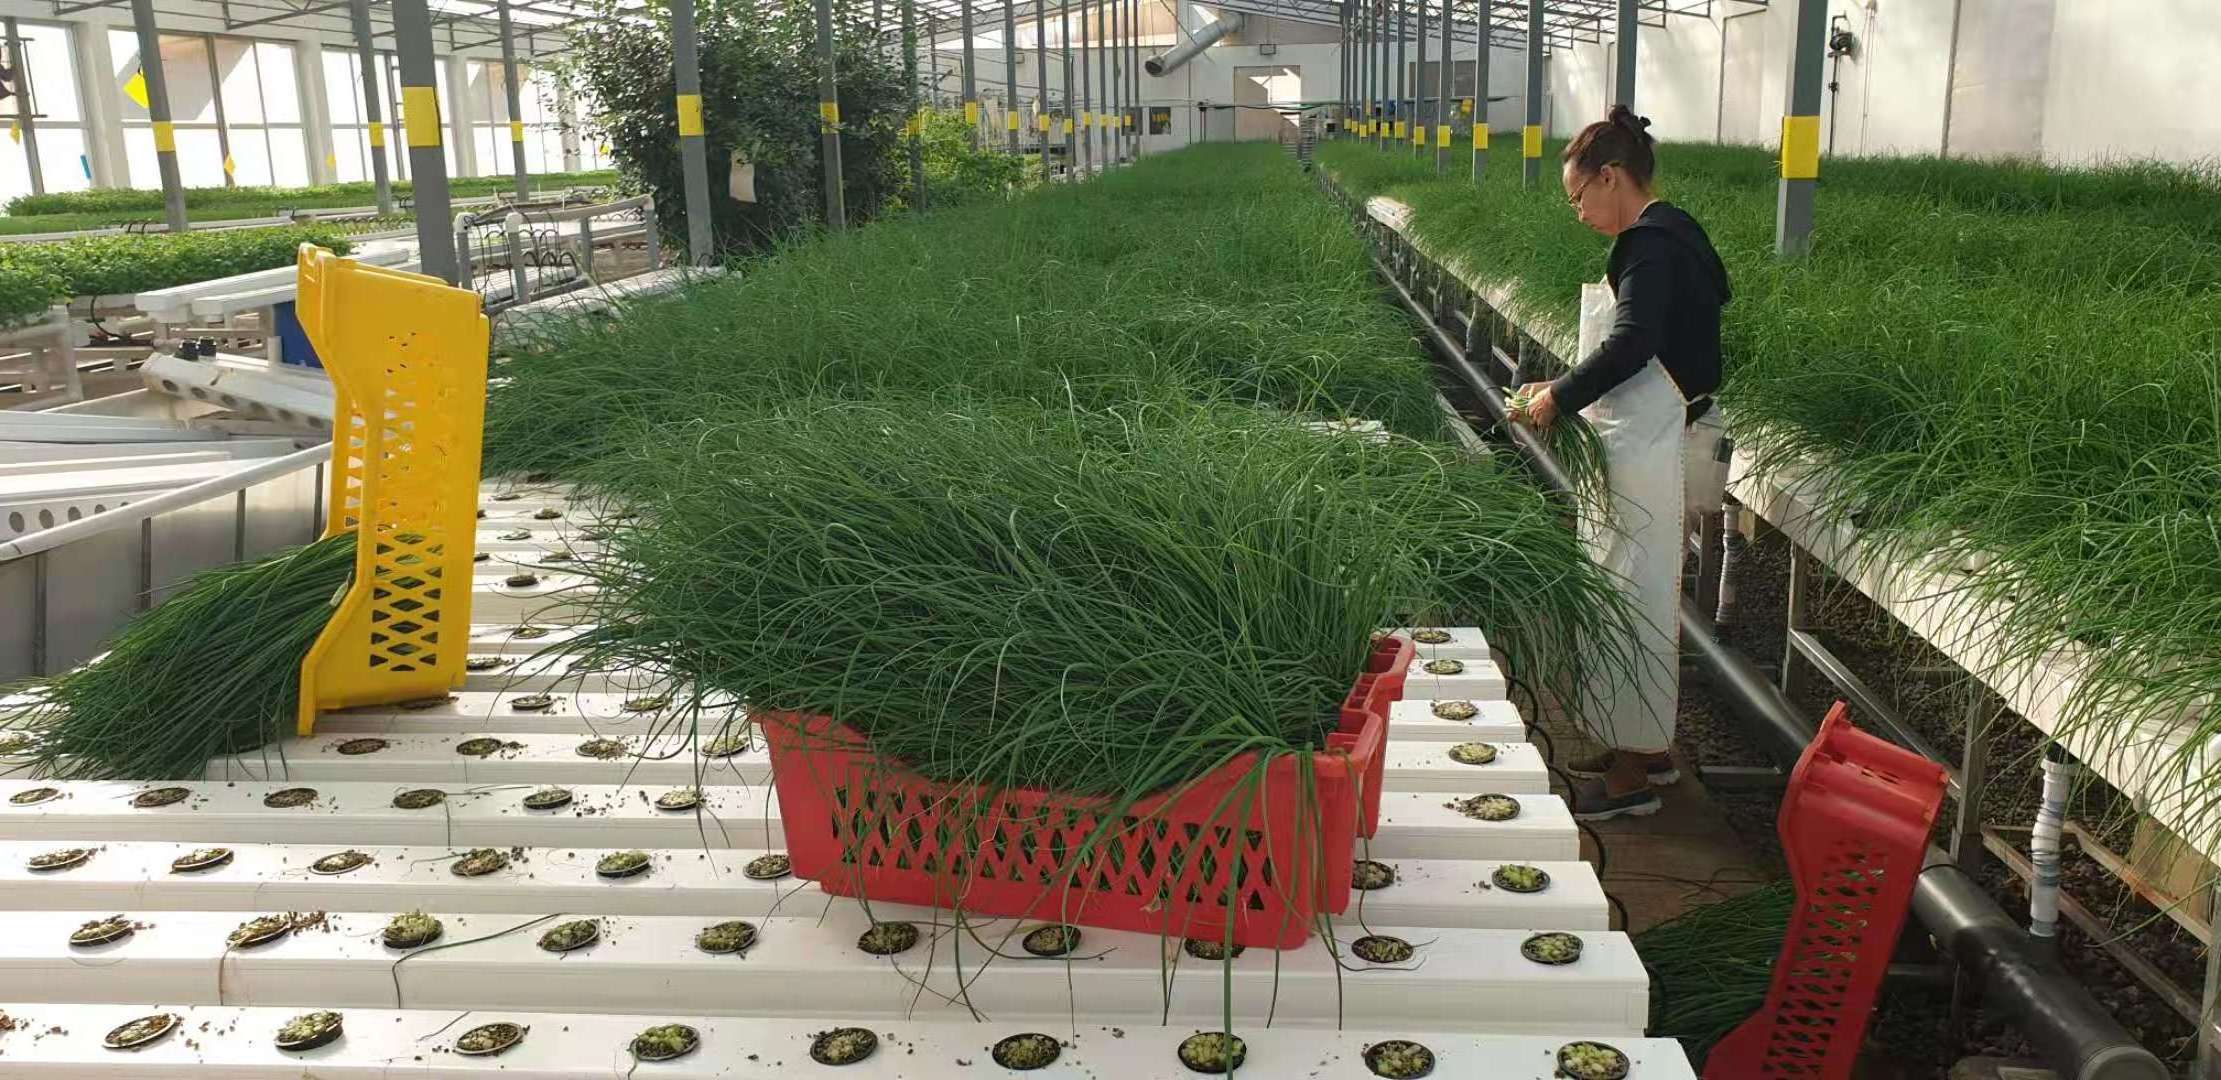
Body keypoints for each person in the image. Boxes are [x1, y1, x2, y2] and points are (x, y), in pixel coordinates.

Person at [1510, 105, 1732, 821]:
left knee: (1632, 597)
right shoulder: (1676, 233)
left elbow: (1634, 341)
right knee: (1645, 591)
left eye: (1579, 197)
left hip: (1650, 448)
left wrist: (1558, 398)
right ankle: (1648, 750)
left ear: (1611, 176)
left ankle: (1629, 778)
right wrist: (1558, 389)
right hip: (1656, 437)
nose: (1577, 213)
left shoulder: (1650, 246)